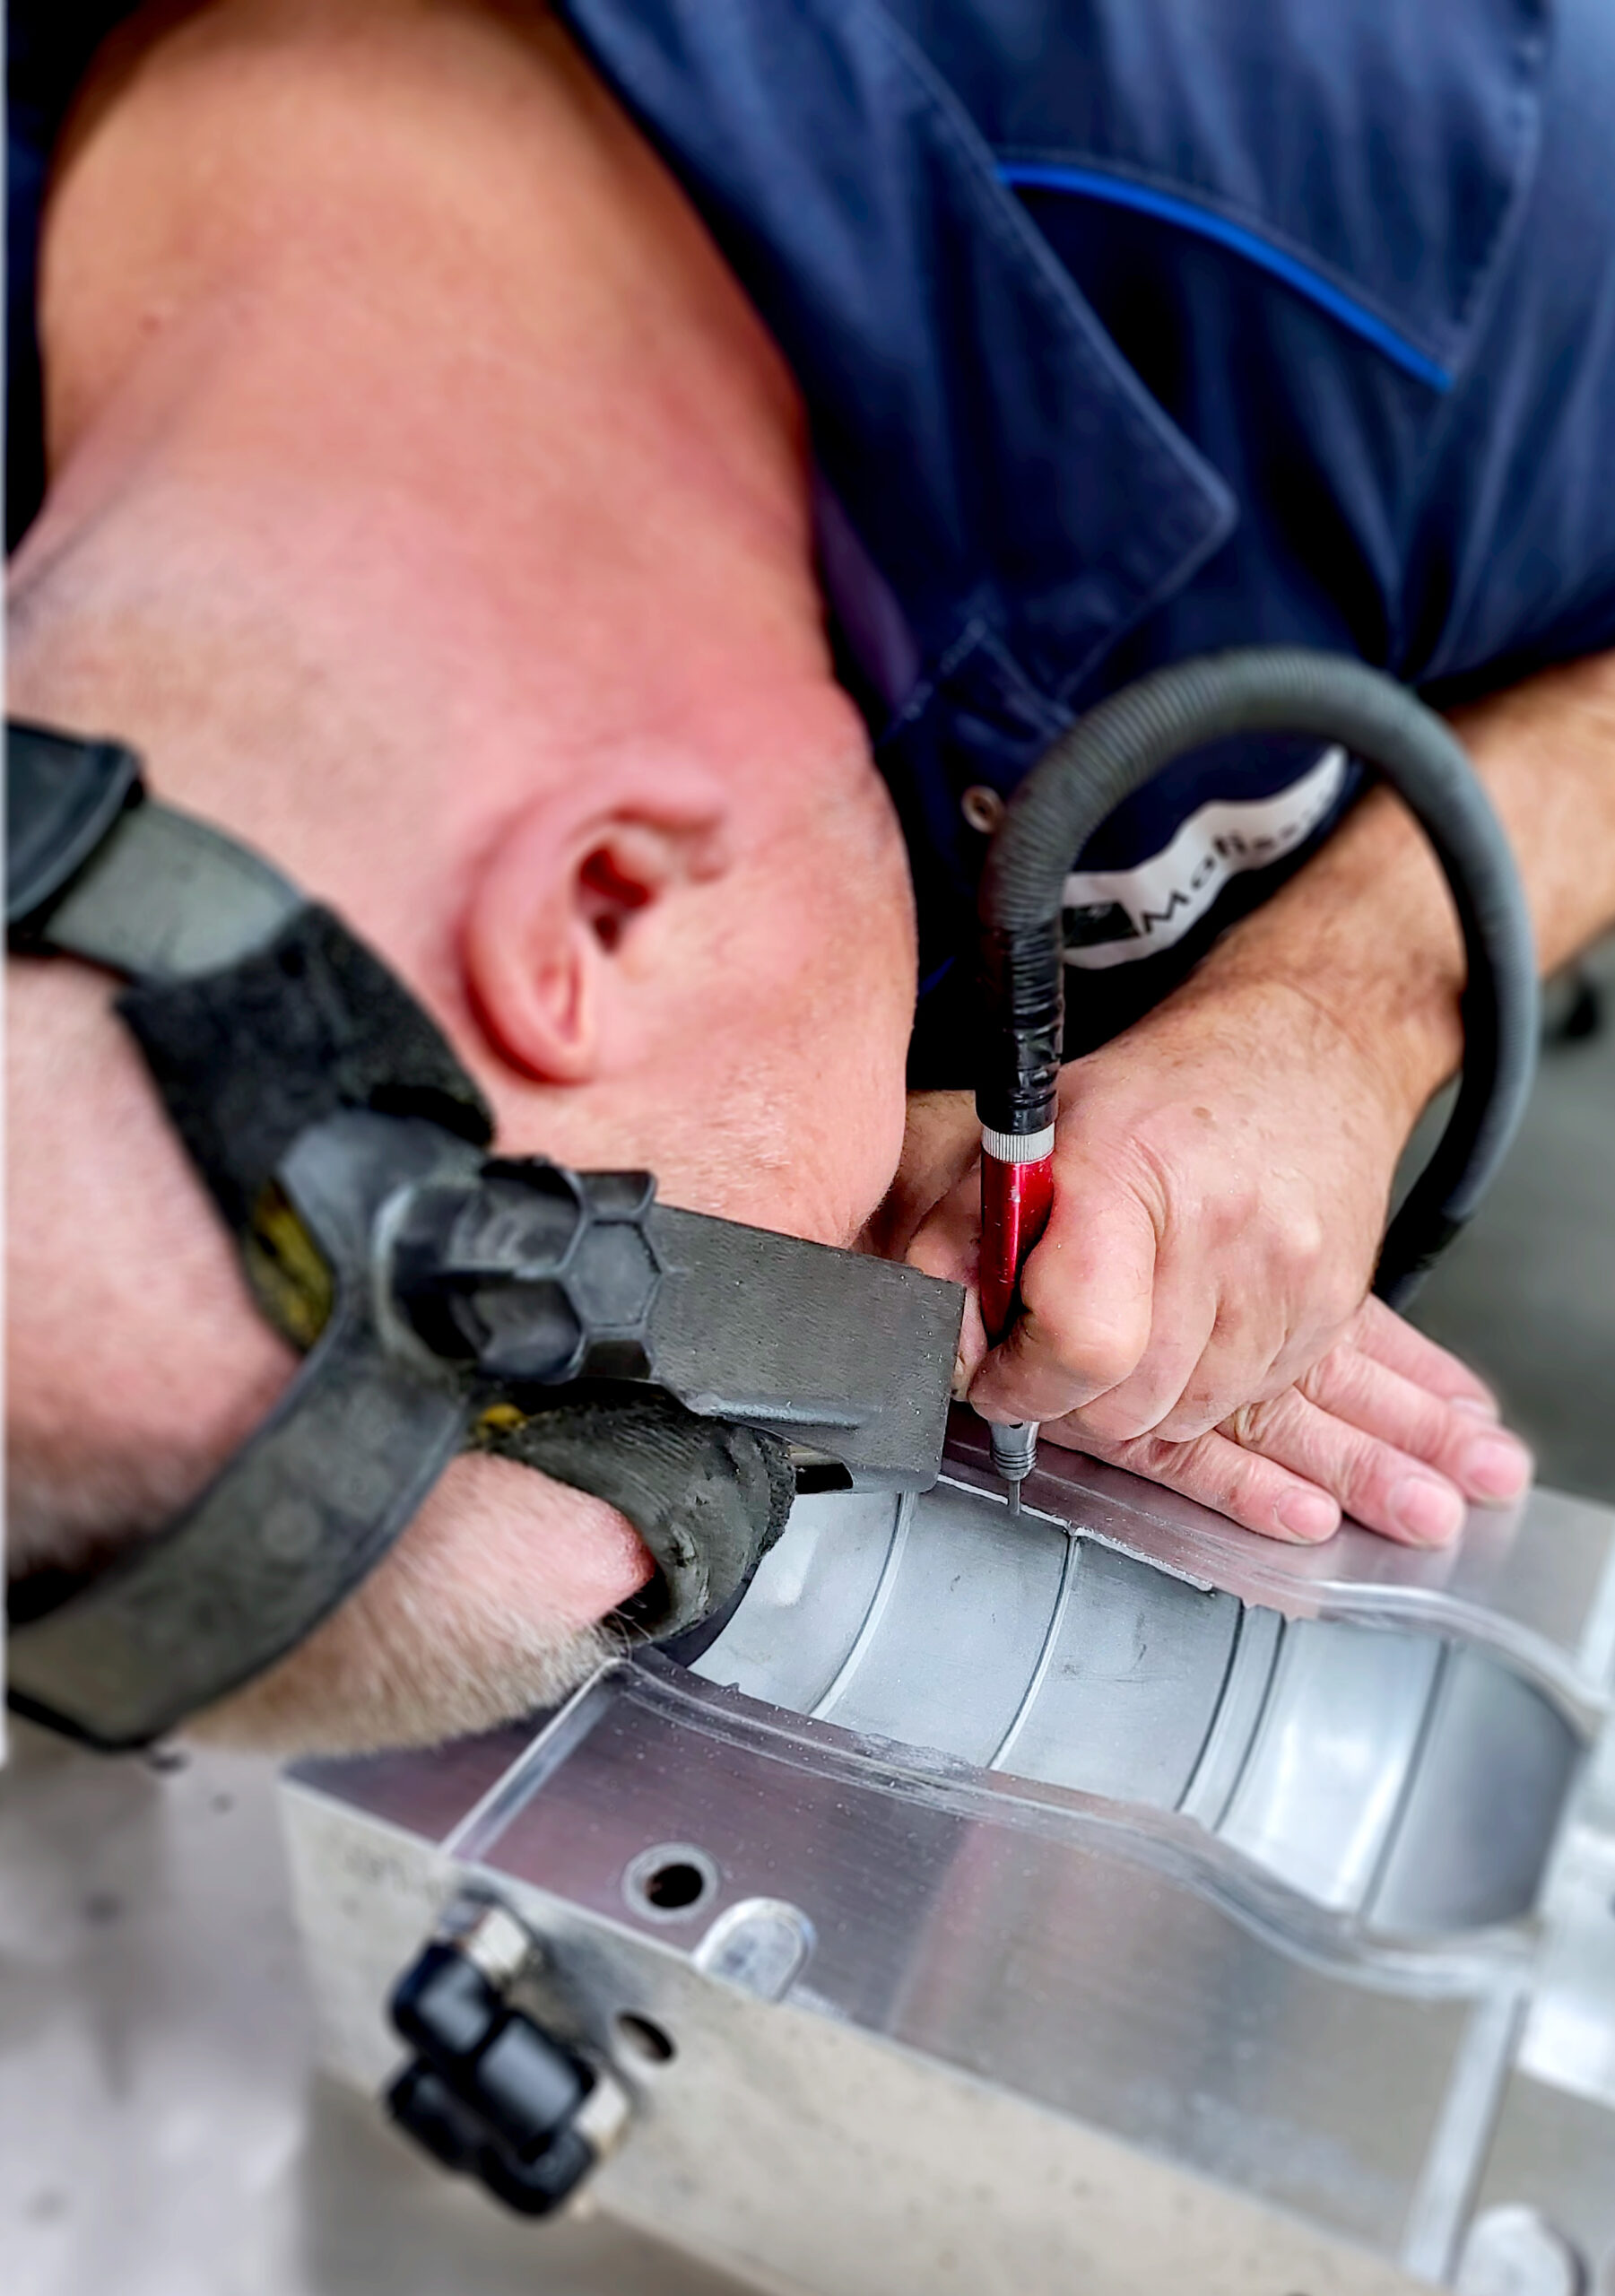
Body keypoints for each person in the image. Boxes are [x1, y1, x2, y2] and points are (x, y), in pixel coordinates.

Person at [8, 0, 1614, 1751]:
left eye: (793, 1337)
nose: (908, 1306)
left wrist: (1346, 996)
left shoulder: (1414, 174)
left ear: (605, 906)